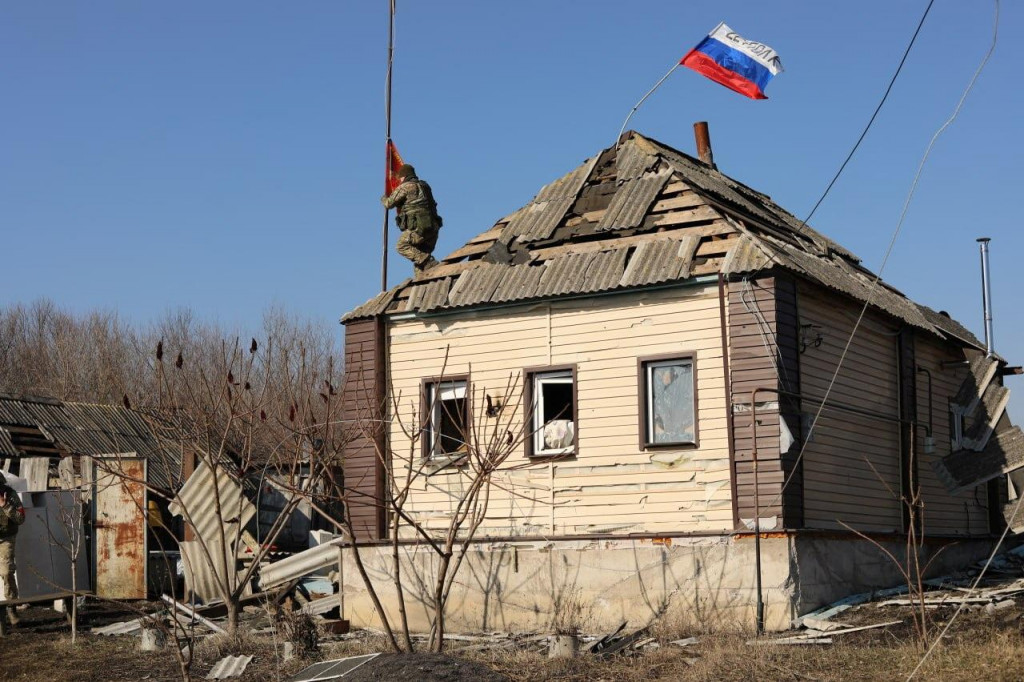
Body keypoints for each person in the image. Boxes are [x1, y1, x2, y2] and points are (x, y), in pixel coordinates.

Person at [381, 164, 443, 275]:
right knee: (420, 263)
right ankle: (423, 279)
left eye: (400, 177)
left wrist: (384, 198)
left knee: (402, 246)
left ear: (404, 176)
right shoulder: (425, 186)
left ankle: (429, 261)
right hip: (433, 229)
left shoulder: (406, 186)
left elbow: (389, 203)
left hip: (419, 229)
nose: (400, 180)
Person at [0, 471, 25, 626]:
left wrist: (5, 505)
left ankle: (11, 607)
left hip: (5, 539)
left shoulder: (10, 495)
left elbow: (20, 518)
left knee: (6, 572)